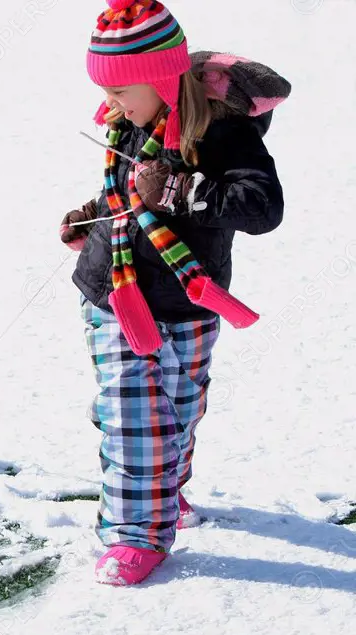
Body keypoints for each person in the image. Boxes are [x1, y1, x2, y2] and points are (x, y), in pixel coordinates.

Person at [59, 0, 289, 585]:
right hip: (114, 290)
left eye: (120, 92)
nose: (110, 106)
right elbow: (128, 192)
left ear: (163, 78)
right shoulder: (130, 122)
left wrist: (186, 189)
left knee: (178, 411)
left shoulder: (221, 133)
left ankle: (160, 488)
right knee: (132, 412)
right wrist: (92, 216)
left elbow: (263, 208)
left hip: (189, 298)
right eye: (105, 93)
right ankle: (136, 533)